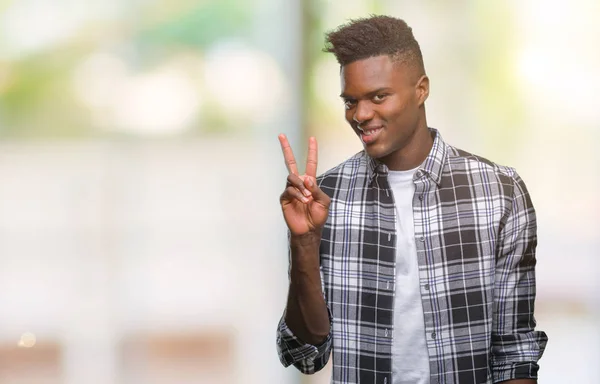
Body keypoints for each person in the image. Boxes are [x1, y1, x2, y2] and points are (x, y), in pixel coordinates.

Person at [275, 15, 547, 384]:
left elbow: (515, 354)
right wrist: (304, 242)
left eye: (378, 96)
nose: (361, 115)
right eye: (350, 101)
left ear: (421, 89)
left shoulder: (500, 193)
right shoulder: (323, 199)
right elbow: (306, 353)